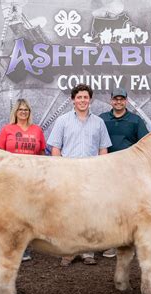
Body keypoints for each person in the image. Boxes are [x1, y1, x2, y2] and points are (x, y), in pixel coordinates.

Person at [47, 83, 112, 266]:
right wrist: (59, 170)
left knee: (89, 213)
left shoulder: (98, 122)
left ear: (90, 100)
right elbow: (55, 148)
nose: (82, 100)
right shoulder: (63, 121)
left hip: (91, 174)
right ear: (73, 100)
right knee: (68, 213)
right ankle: (68, 252)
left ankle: (87, 252)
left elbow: (103, 149)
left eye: (85, 97)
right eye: (79, 97)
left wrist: (102, 172)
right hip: (68, 173)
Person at [99, 87, 148, 258]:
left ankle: (127, 242)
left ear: (126, 101)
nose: (118, 102)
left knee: (128, 209)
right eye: (115, 99)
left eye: (121, 99)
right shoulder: (102, 119)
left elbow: (145, 145)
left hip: (129, 173)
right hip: (106, 171)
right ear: (111, 100)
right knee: (109, 208)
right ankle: (110, 242)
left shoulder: (136, 120)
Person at [0, 98, 46, 261]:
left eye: (26, 110)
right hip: (11, 179)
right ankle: (10, 247)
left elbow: (42, 155)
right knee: (11, 215)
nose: (23, 112)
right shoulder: (7, 130)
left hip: (31, 179)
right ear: (15, 112)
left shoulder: (37, 130)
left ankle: (25, 249)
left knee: (28, 215)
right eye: (20, 109)